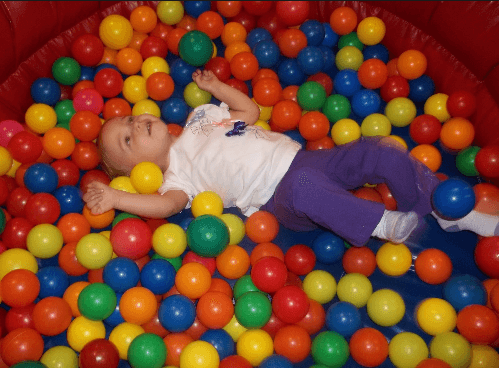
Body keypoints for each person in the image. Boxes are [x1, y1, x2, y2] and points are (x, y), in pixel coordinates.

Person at [83, 70, 498, 247]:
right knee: (305, 189)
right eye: (126, 138)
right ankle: (382, 226)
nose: (134, 124)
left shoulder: (201, 119)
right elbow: (164, 207)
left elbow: (248, 114)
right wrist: (118, 200)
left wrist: (218, 88)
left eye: (128, 118)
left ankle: (438, 208)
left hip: (304, 159)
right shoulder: (178, 178)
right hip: (279, 197)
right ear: (140, 169)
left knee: (381, 150)